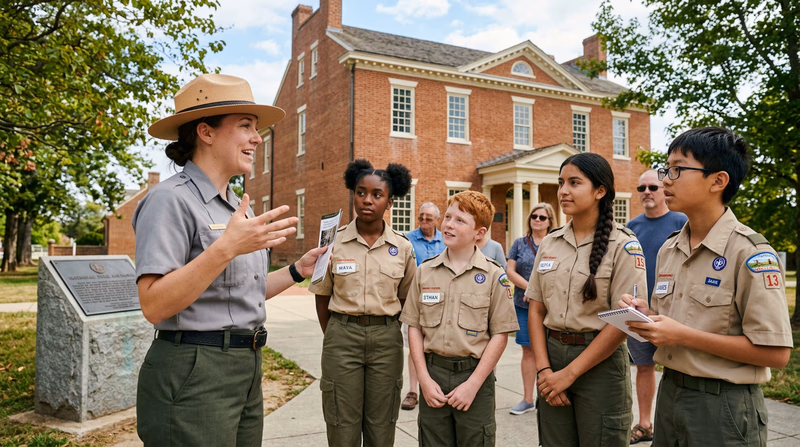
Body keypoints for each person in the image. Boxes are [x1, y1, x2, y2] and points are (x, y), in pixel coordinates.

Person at [133, 73, 327, 446]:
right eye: (245, 126)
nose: (257, 138)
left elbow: (241, 294)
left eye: (255, 128)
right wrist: (227, 247)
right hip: (194, 370)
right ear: (206, 132)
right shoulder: (169, 199)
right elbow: (154, 304)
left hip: (245, 367)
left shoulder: (236, 206)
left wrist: (296, 270)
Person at [621, 127, 793, 447]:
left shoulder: (750, 253)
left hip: (724, 406)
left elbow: (777, 353)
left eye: (677, 169)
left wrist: (681, 335)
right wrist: (645, 315)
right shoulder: (670, 249)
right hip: (670, 394)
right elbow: (668, 320)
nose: (666, 180)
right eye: (665, 168)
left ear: (718, 181)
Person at [526, 152, 646, 446]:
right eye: (561, 182)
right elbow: (536, 309)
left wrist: (569, 374)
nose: (563, 191)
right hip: (552, 359)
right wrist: (544, 371)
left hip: (600, 365)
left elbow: (625, 321)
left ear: (600, 191)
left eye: (574, 182)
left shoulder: (623, 245)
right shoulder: (550, 242)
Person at [309, 159, 416, 447]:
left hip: (386, 339)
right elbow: (322, 295)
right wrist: (334, 334)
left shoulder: (403, 247)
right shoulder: (333, 242)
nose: (367, 200)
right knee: (341, 423)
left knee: (381, 425)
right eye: (360, 192)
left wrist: (388, 330)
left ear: (390, 202)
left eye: (376, 194)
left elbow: (406, 297)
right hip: (342, 336)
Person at [400, 190, 519, 446]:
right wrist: (423, 379)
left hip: (474, 378)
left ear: (480, 233)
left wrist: (473, 384)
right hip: (433, 375)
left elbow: (500, 335)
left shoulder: (494, 276)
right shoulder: (425, 272)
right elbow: (414, 328)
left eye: (460, 221)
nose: (448, 225)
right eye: (449, 217)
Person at [624, 169, 687, 444]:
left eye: (652, 187)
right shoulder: (632, 227)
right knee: (644, 366)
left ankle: (680, 425)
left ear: (664, 190)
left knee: (682, 368)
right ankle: (646, 423)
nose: (647, 192)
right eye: (641, 189)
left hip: (676, 311)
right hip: (642, 311)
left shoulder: (682, 221)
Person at [505, 203, 556, 415]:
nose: (537, 220)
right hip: (523, 305)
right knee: (528, 351)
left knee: (551, 352)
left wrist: (538, 292)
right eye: (534, 216)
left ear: (550, 221)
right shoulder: (519, 243)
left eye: (542, 217)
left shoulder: (556, 243)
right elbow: (510, 271)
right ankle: (527, 399)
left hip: (551, 307)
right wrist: (530, 288)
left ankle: (548, 396)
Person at [401, 203, 446, 411]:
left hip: (441, 303)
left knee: (436, 345)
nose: (424, 222)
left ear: (437, 219)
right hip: (415, 302)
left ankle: (436, 386)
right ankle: (413, 391)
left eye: (429, 218)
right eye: (421, 218)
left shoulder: (446, 240)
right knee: (414, 346)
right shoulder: (408, 240)